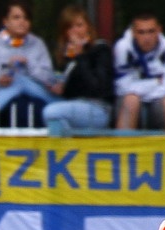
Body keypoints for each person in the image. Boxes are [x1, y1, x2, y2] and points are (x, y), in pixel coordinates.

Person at [42, 4, 114, 135]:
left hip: (97, 107)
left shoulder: (101, 49)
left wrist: (81, 56)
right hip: (73, 104)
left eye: (79, 25)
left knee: (50, 112)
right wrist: (60, 87)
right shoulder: (67, 56)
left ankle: (67, 148)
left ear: (88, 27)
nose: (75, 31)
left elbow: (97, 88)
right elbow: (73, 92)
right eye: (70, 27)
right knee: (26, 84)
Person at [113, 11, 165, 131]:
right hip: (130, 101)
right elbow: (122, 88)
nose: (147, 37)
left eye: (151, 31)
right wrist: (156, 82)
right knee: (131, 100)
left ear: (159, 30)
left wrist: (141, 90)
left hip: (159, 101)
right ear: (133, 33)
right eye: (141, 32)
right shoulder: (123, 47)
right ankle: (123, 147)